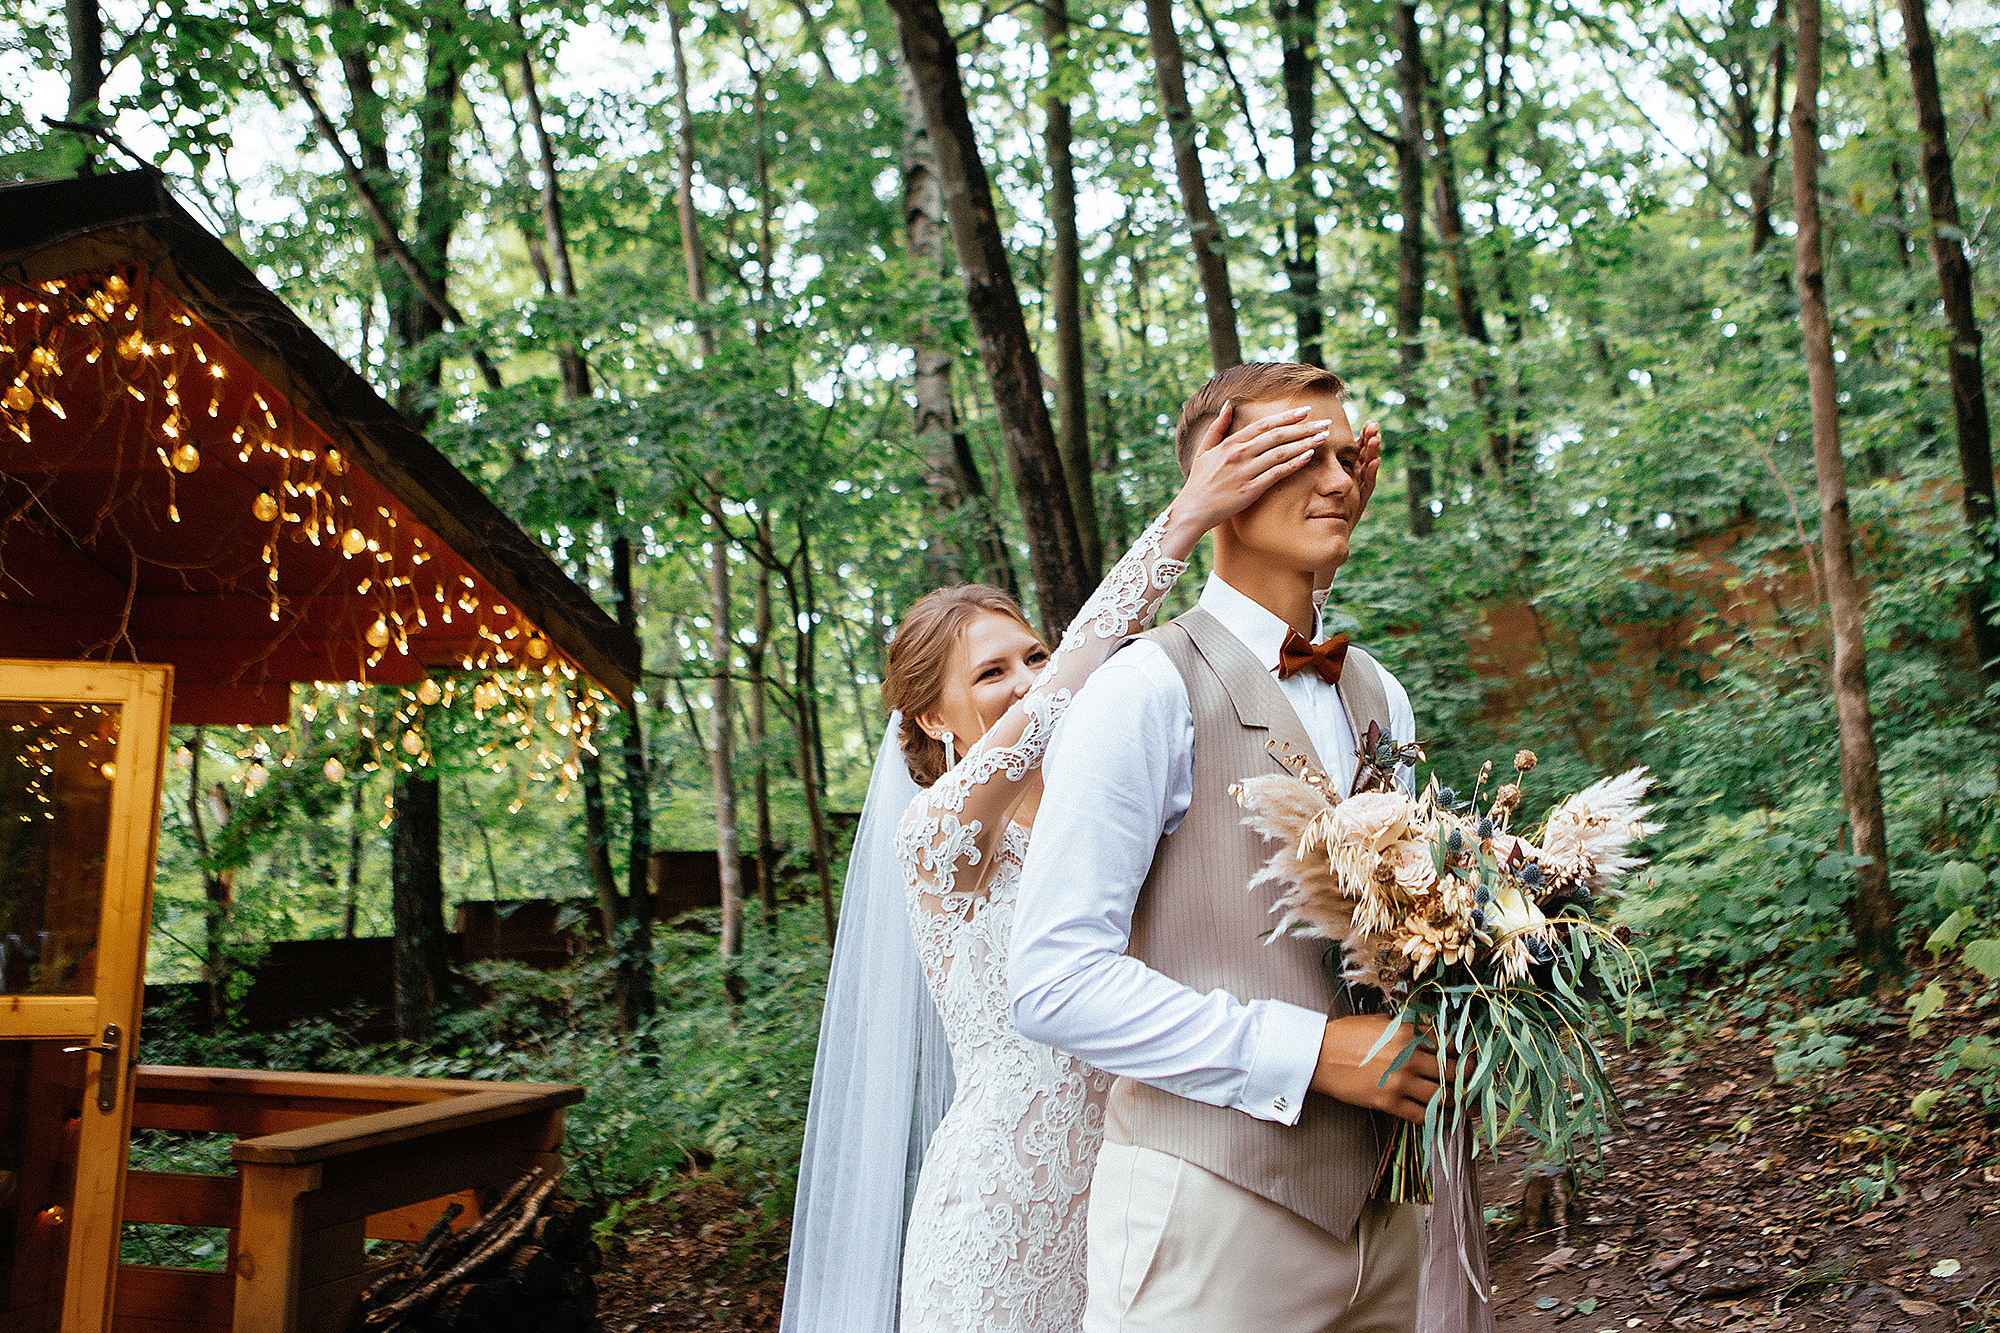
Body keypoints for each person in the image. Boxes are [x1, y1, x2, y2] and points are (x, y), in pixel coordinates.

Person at [781, 394, 1381, 1333]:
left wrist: (1318, 524)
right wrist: (1187, 519)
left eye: (1033, 654)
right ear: (931, 720)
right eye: (990, 674)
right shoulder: (940, 837)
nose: (1026, 681)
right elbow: (1069, 695)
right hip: (1006, 1207)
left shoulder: (1112, 813)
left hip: (1149, 1177)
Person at [1011, 361, 1445, 1333]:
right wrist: (1303, 1052)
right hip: (1207, 1217)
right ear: (1219, 478)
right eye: (1299, 454)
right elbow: (1050, 978)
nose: (1336, 480)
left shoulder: (1379, 692)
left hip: (1385, 1212)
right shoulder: (1142, 691)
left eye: (1346, 455)